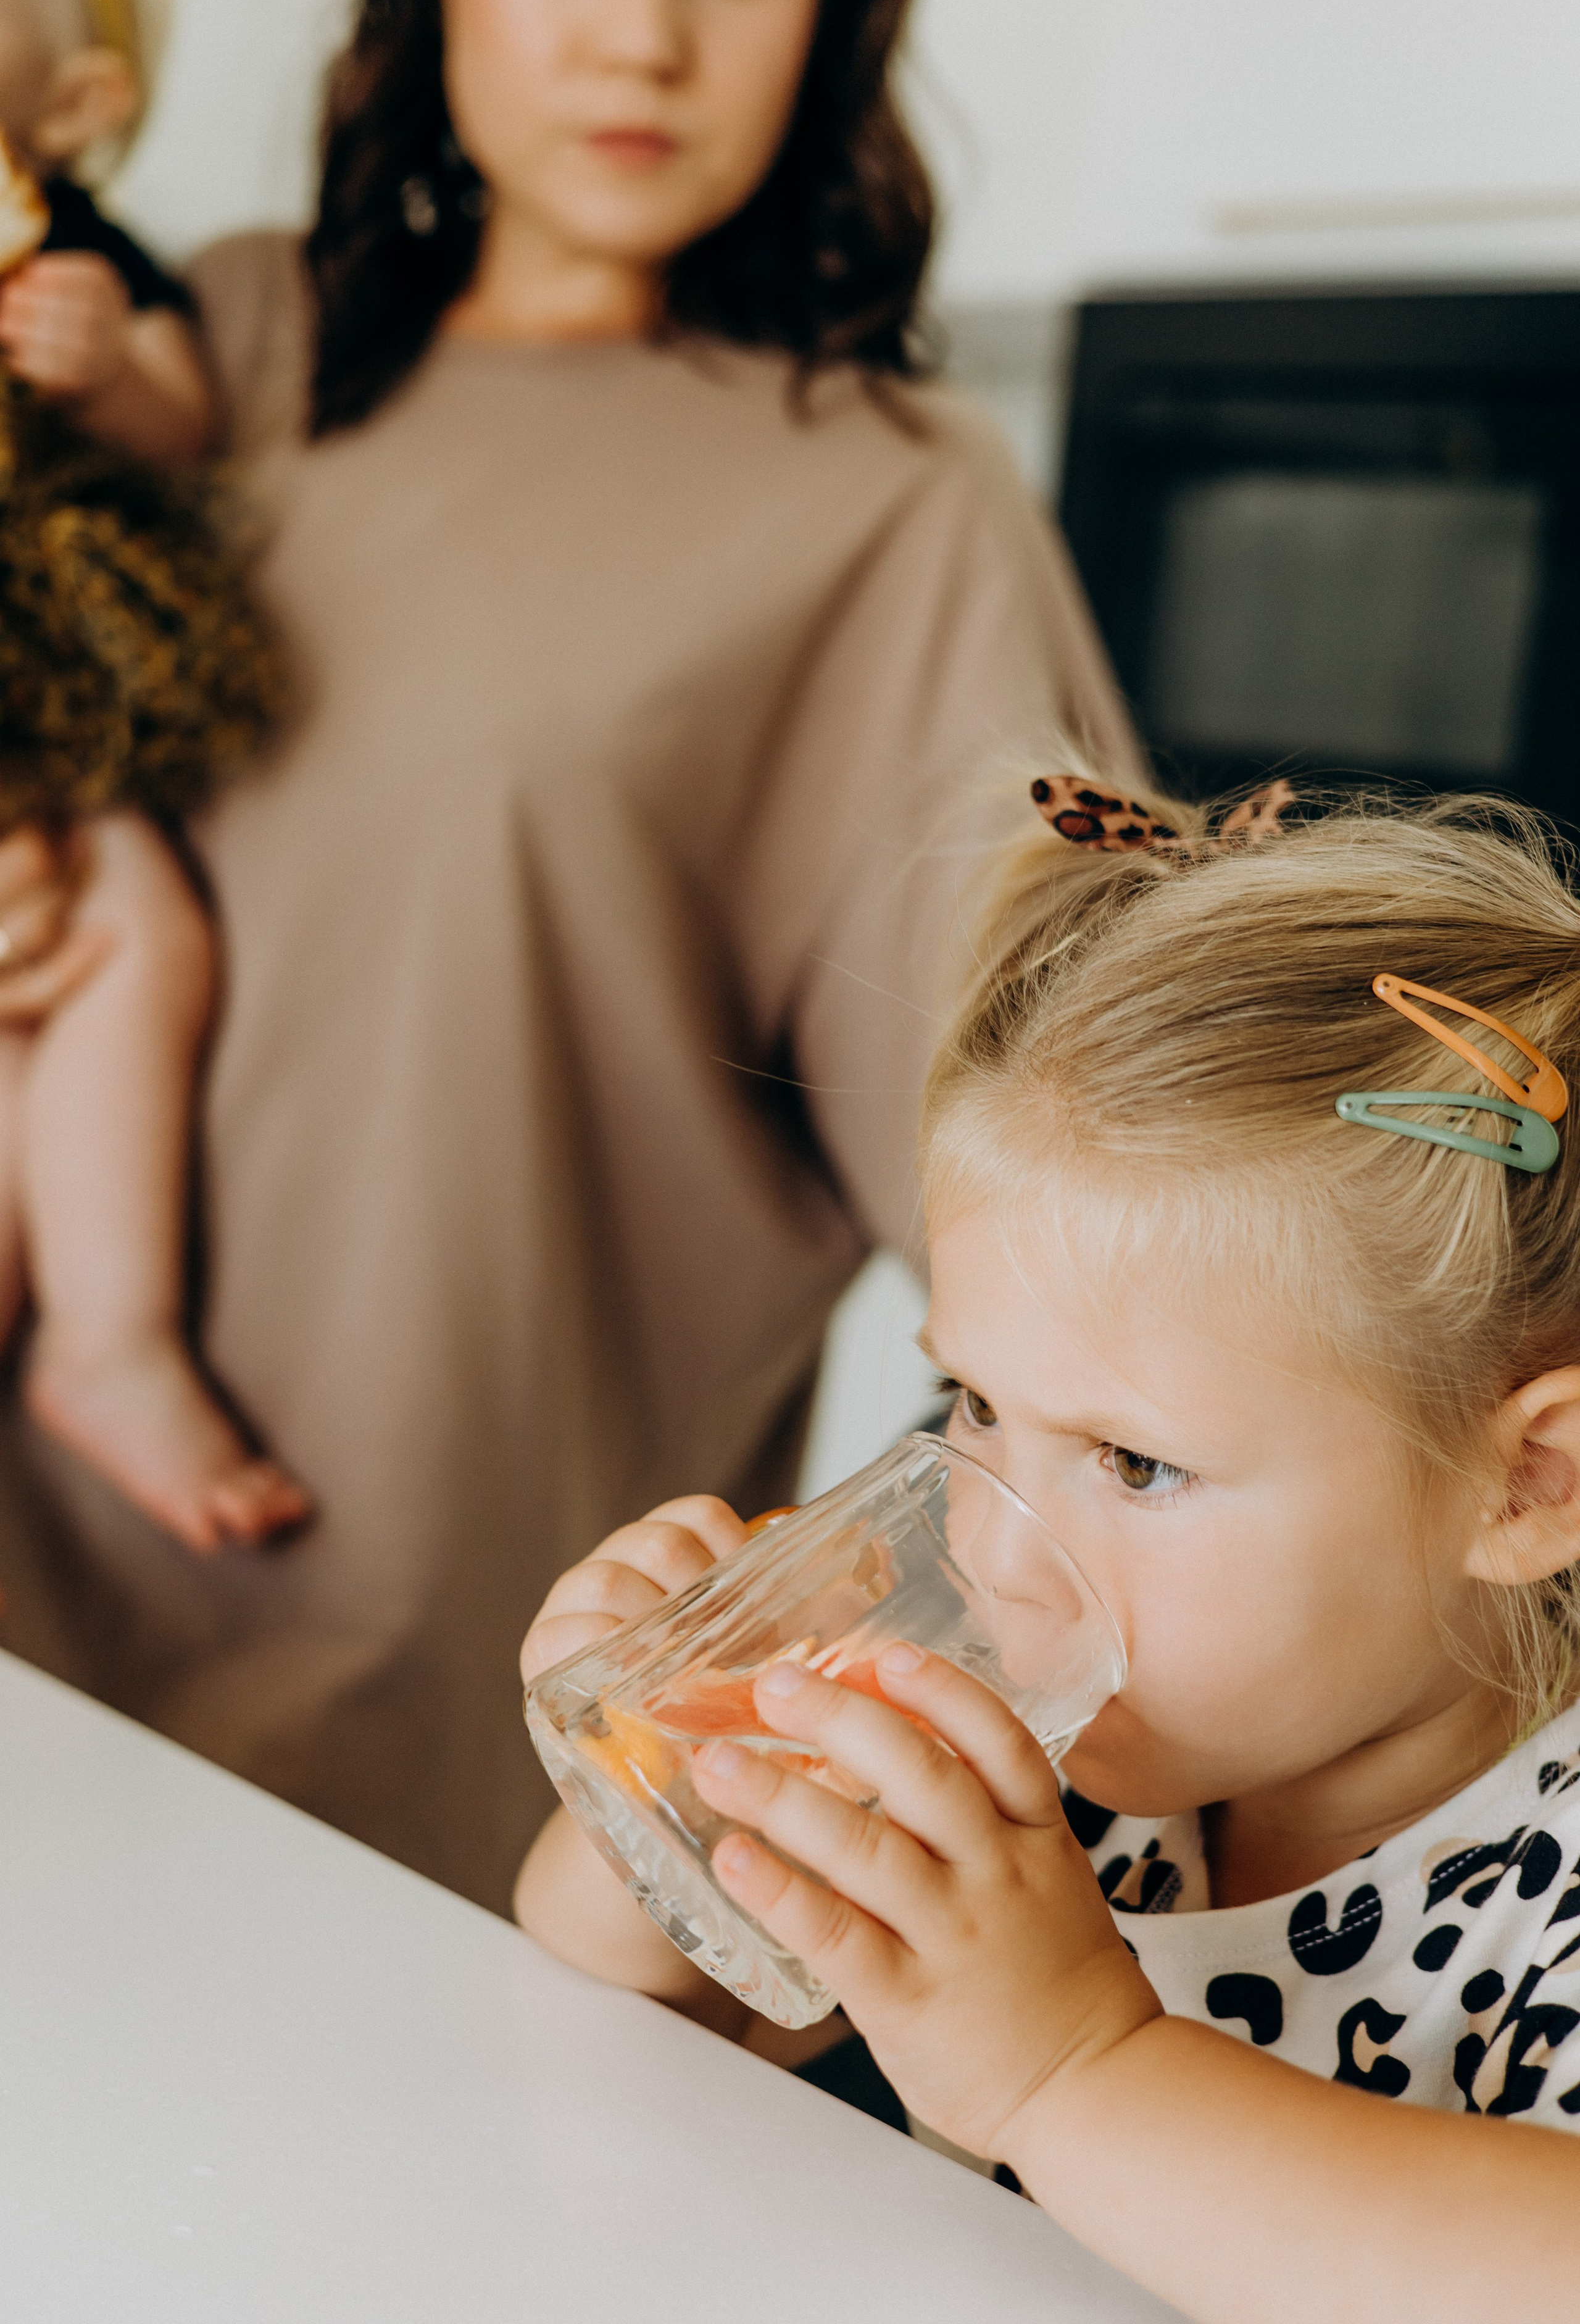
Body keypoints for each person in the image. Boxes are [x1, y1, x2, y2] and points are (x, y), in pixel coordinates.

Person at [0, 0, 1139, 1912]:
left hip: (424, 1731)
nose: (643, 36)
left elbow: (1100, 1210)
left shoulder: (892, 511)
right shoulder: (222, 340)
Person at [517, 780, 1580, 2317]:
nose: (998, 1550)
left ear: (1527, 1486)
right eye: (975, 1405)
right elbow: (630, 2037)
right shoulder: (1071, 1775)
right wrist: (669, 1780)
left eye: (1135, 1461)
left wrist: (1077, 2071)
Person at [0, 0, 310, 1552]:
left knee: (137, 937)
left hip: (51, 718)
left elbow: (187, 417)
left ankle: (110, 1334)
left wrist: (104, 361)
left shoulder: (80, 261)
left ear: (72, 105)